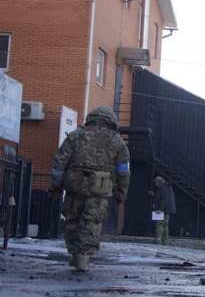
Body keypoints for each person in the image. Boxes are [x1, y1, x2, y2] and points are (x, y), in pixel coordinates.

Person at [47, 106, 130, 272]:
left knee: (72, 218)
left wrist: (55, 185)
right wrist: (122, 190)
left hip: (74, 185)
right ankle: (83, 256)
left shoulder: (75, 136)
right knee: (92, 221)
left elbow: (59, 162)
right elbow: (123, 169)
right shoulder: (117, 140)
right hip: (99, 187)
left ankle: (74, 253)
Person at [149, 176, 176, 245]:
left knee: (159, 224)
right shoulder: (167, 187)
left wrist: (160, 209)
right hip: (168, 209)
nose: (155, 184)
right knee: (165, 225)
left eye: (156, 183)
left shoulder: (163, 188)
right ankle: (165, 241)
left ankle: (159, 239)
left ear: (159, 182)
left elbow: (164, 199)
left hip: (163, 210)